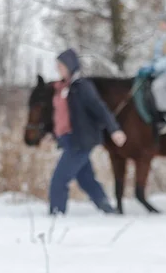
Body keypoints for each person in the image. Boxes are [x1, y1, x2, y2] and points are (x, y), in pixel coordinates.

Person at [49, 48, 127, 215]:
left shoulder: (82, 87)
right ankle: (107, 208)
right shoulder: (64, 87)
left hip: (79, 141)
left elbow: (100, 109)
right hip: (69, 139)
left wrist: (114, 130)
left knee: (59, 180)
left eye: (61, 66)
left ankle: (56, 215)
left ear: (70, 66)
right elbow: (62, 115)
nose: (58, 69)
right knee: (86, 179)